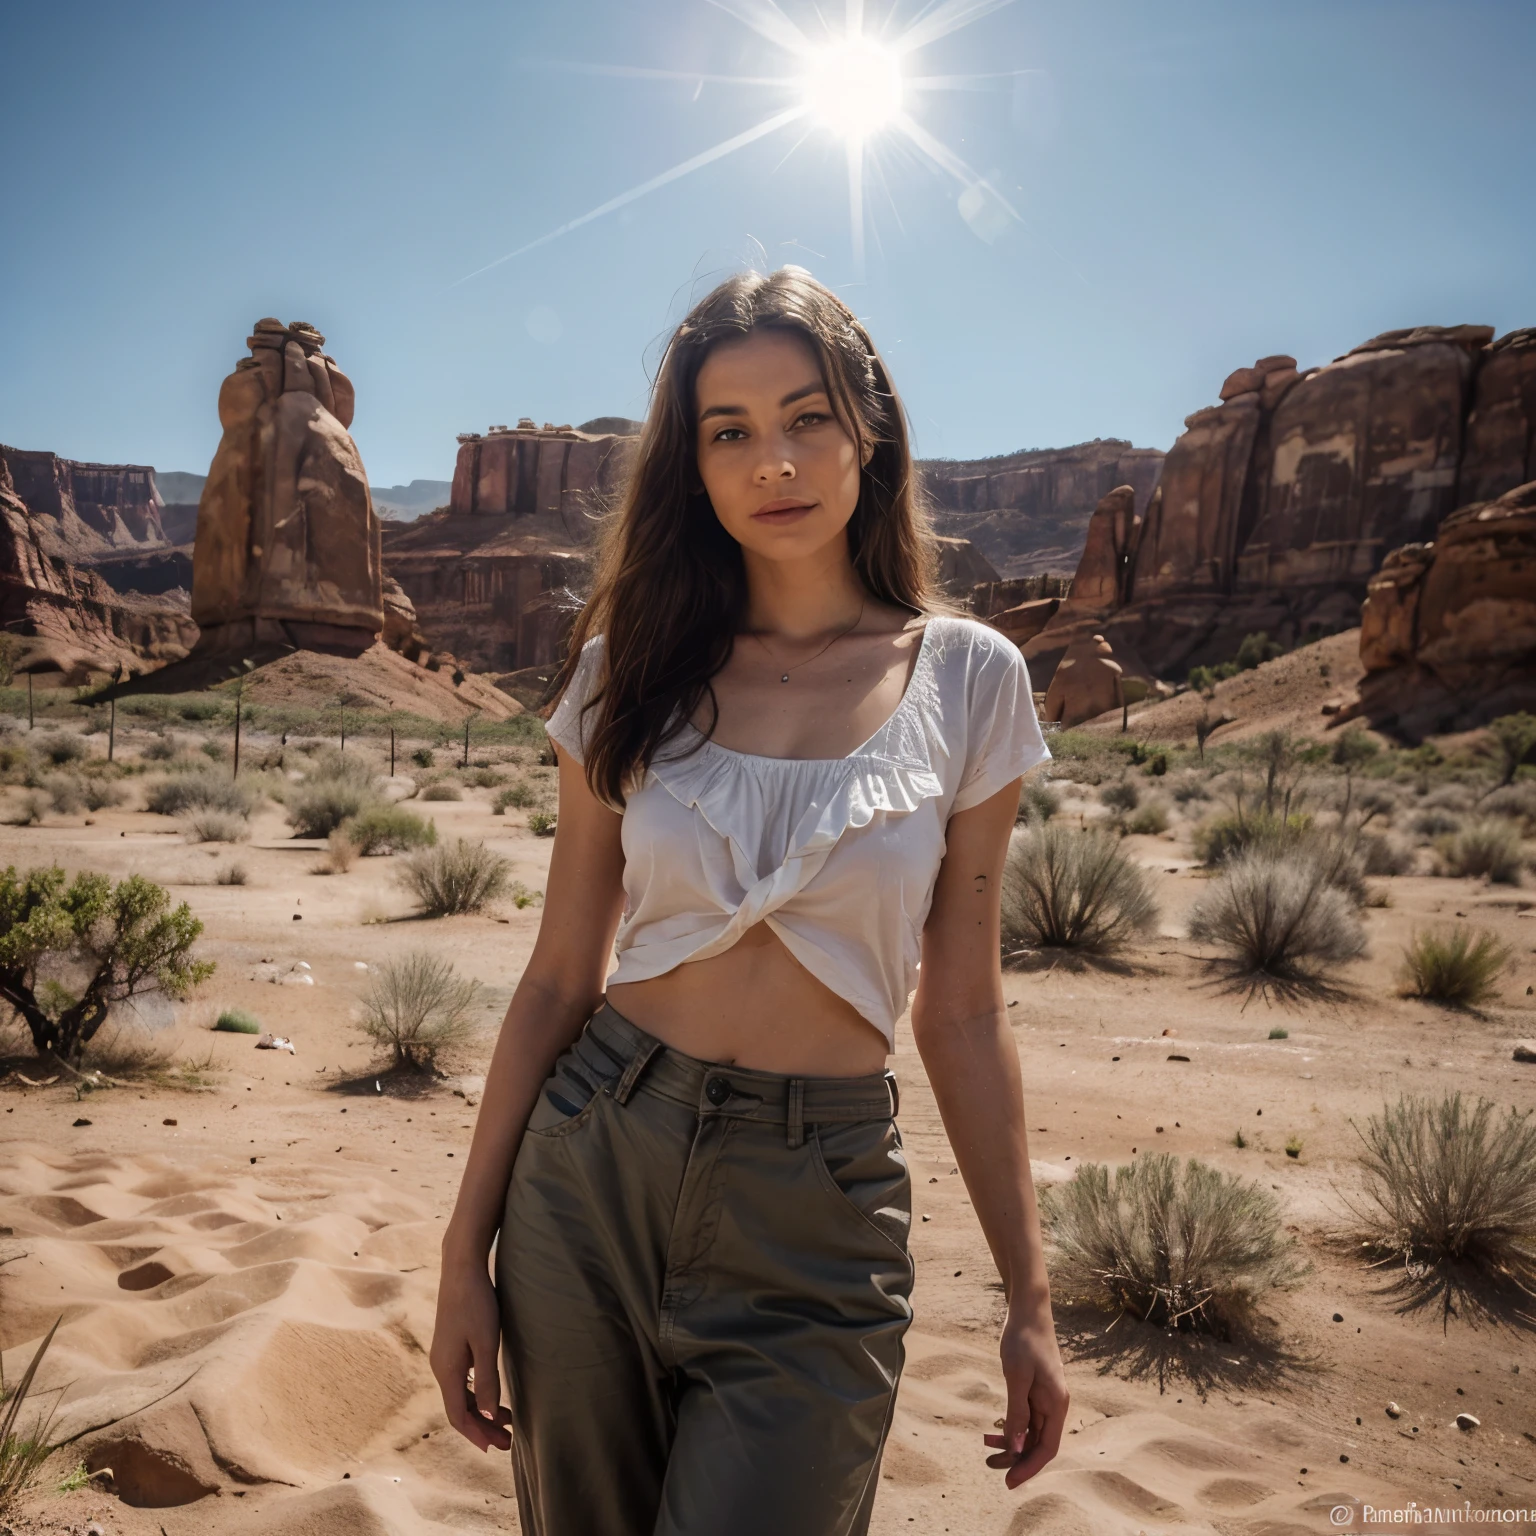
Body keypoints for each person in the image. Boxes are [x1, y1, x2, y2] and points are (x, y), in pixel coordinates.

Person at [430, 266, 1068, 1535]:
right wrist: (463, 1255)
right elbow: (561, 974)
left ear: (869, 428)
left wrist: (1029, 1301)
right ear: (696, 467)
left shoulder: (970, 681)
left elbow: (963, 1013)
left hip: (818, 1204)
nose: (774, 461)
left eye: (808, 416)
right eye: (731, 432)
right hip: (591, 1169)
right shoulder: (628, 674)